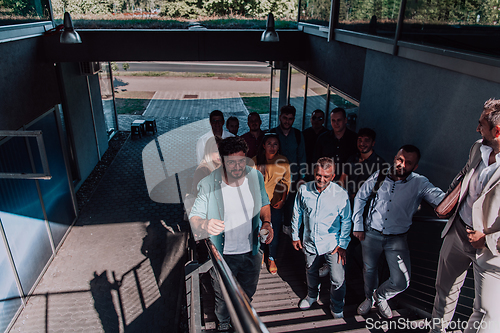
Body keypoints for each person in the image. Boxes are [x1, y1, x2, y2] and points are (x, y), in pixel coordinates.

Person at [430, 99, 500, 333]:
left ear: (497, 130)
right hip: (457, 232)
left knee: (486, 314)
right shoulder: (477, 147)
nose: (477, 128)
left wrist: (487, 239)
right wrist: (449, 198)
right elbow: (465, 172)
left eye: (481, 124)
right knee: (444, 292)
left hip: (490, 249)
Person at [189, 136, 273, 332]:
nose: (237, 167)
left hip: (251, 253)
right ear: (222, 161)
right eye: (231, 162)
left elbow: (264, 203)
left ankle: (239, 323)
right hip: (222, 255)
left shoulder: (255, 177)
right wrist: (205, 223)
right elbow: (195, 217)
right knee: (222, 297)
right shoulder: (208, 183)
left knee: (247, 294)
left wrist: (267, 222)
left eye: (241, 162)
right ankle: (223, 323)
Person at [352, 145, 445, 319]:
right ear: (395, 157)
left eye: (408, 163)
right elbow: (360, 197)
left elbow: (441, 199)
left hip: (397, 239)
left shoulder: (420, 182)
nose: (402, 164)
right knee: (369, 270)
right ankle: (368, 298)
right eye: (400, 159)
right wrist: (357, 225)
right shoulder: (379, 175)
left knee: (402, 281)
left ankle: (380, 296)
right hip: (371, 233)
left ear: (415, 166)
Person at [291, 157, 351, 319]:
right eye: (318, 175)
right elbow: (297, 213)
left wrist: (343, 245)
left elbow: (346, 221)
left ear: (333, 177)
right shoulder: (304, 190)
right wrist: (295, 235)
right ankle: (311, 296)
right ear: (314, 173)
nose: (321, 179)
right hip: (310, 241)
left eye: (326, 176)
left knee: (338, 279)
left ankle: (337, 306)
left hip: (333, 245)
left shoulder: (341, 195)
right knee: (310, 270)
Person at [252, 133, 291, 275]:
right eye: (269, 143)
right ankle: (261, 253)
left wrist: (282, 200)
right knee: (260, 231)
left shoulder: (283, 161)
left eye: (275, 144)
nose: (272, 147)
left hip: (275, 204)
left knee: (274, 233)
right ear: (263, 145)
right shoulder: (255, 161)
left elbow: (286, 183)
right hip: (259, 205)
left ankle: (271, 257)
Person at [270, 105, 307, 236]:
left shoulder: (297, 135)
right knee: (275, 205)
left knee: (290, 205)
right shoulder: (272, 133)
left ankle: (286, 230)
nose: (287, 121)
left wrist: (302, 177)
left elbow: (302, 157)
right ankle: (274, 231)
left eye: (290, 119)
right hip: (275, 179)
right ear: (280, 117)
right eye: (284, 118)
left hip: (293, 178)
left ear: (294, 119)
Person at [340, 128, 388, 200]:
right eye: (360, 140)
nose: (362, 144)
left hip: (365, 204)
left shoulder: (380, 164)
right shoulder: (351, 159)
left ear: (373, 143)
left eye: (367, 140)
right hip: (347, 201)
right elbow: (342, 180)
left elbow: (380, 189)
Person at [314, 107, 357, 177]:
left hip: (348, 181)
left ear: (345, 120)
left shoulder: (354, 139)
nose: (336, 123)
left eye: (339, 120)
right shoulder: (323, 138)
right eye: (333, 120)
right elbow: (316, 160)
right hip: (325, 180)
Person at [302, 109, 328, 180]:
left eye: (319, 118)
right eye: (314, 118)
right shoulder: (304, 134)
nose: (316, 121)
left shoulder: (328, 135)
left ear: (323, 121)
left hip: (322, 170)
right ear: (311, 119)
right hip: (306, 169)